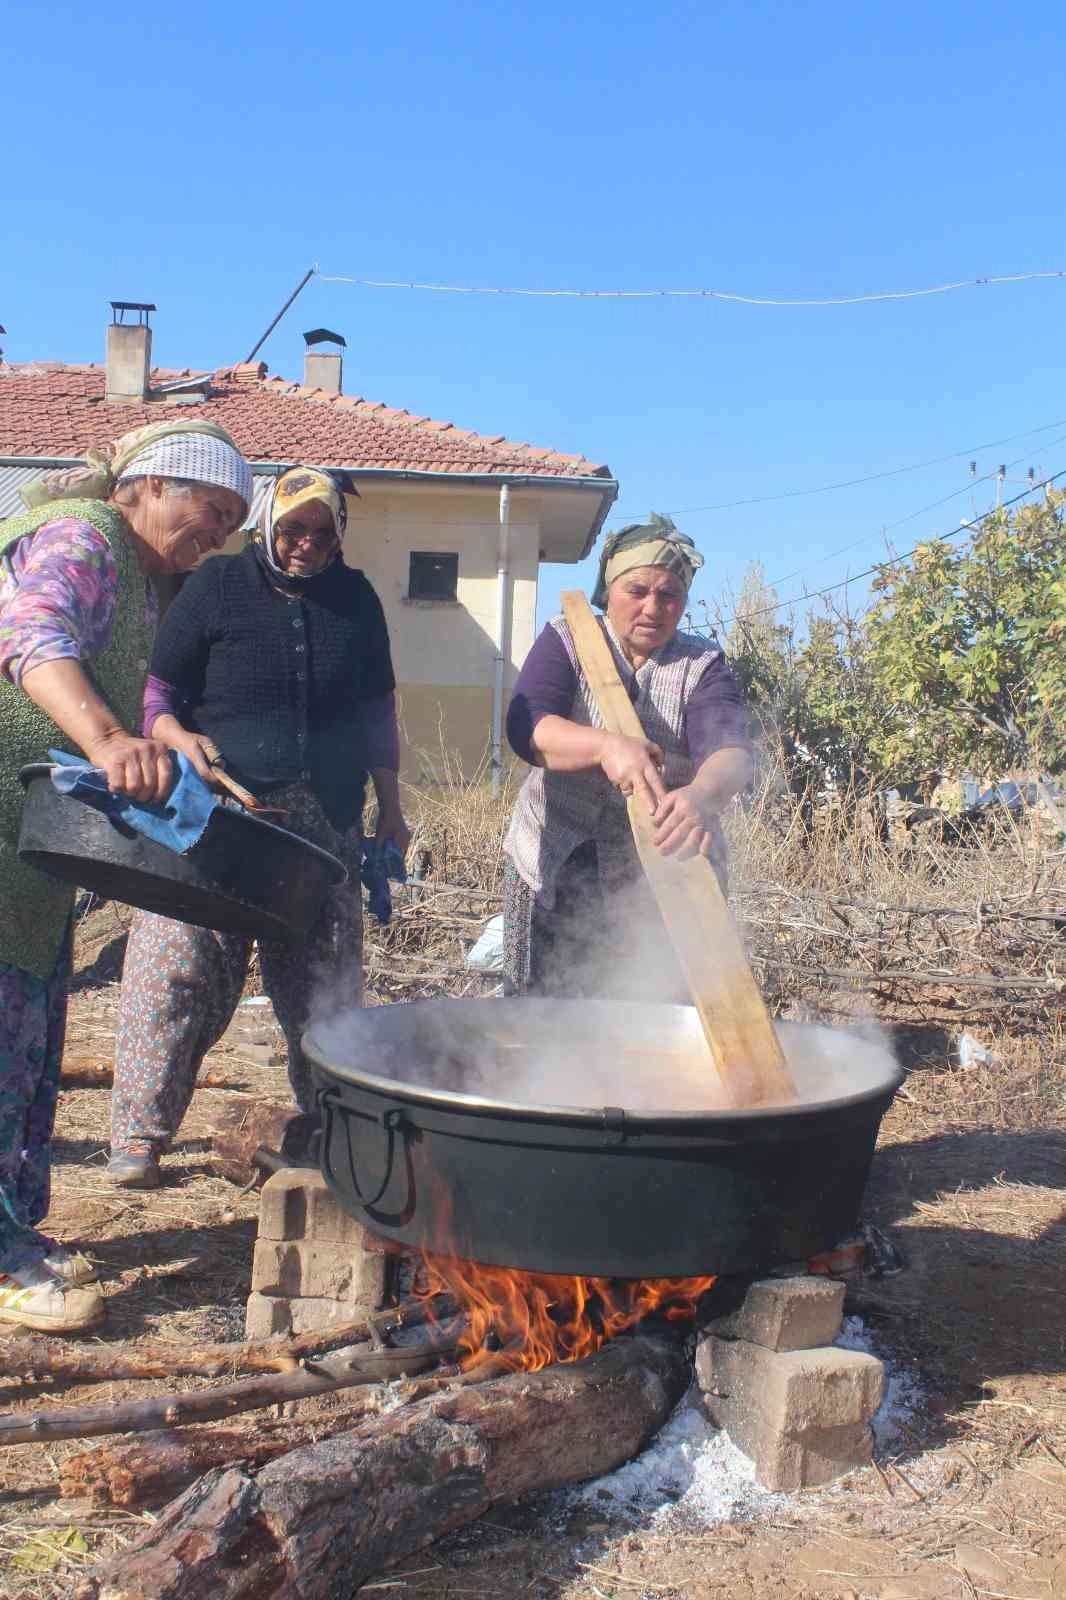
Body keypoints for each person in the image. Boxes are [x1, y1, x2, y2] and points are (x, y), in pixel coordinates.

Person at [0, 421, 252, 1333]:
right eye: (208, 506)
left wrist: (164, 744)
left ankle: (16, 1229)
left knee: (25, 1033)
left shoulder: (147, 583)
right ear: (146, 485)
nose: (217, 530)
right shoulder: (84, 535)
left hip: (27, 849)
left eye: (231, 520)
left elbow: (139, 690)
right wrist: (107, 739)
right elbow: (31, 632)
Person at [108, 466, 409, 1189]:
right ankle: (137, 1141)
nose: (305, 544)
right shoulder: (216, 586)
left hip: (324, 822)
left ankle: (339, 1138)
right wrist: (173, 734)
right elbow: (158, 693)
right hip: (216, 817)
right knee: (177, 972)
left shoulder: (357, 599)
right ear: (268, 523)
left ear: (339, 536)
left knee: (324, 991)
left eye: (321, 532)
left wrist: (390, 809)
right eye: (292, 529)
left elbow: (377, 712)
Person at [503, 513, 753, 999]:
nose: (653, 608)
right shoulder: (567, 640)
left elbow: (732, 752)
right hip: (556, 850)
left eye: (669, 595)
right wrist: (605, 746)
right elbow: (527, 726)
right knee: (543, 1011)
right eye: (637, 590)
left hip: (662, 865)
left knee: (648, 1008)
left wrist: (702, 795)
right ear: (608, 588)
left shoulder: (701, 665)